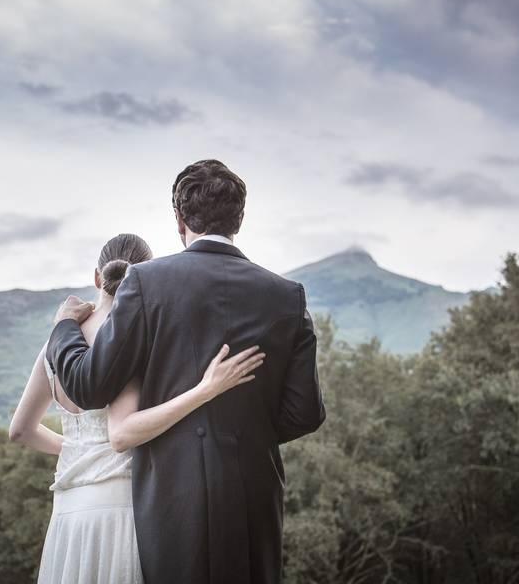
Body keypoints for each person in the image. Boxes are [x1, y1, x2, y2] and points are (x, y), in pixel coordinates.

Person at [47, 160, 327, 584]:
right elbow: (305, 413)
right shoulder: (287, 295)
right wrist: (244, 429)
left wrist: (64, 328)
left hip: (171, 492)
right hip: (254, 490)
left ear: (179, 220)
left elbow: (89, 387)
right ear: (240, 218)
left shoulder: (146, 282)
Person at [9, 233, 265, 584]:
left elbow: (20, 431)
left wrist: (78, 448)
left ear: (97, 278)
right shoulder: (136, 339)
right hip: (127, 507)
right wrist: (206, 389)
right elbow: (124, 430)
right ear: (144, 278)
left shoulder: (56, 341)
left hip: (69, 512)